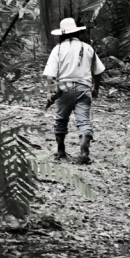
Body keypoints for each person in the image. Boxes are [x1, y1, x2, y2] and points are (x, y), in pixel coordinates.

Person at [43, 17, 105, 164]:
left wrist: (49, 93)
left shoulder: (57, 49)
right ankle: (84, 151)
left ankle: (60, 150)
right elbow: (98, 71)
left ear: (61, 34)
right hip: (84, 88)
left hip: (64, 88)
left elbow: (50, 75)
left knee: (61, 119)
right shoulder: (87, 48)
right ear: (77, 33)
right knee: (83, 121)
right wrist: (95, 88)